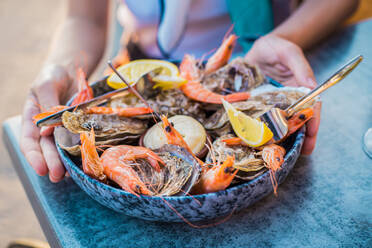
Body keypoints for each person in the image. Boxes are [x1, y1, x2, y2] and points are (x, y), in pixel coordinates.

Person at [21, 0, 359, 183]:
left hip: (262, 59)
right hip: (145, 72)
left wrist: (288, 37)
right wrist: (58, 71)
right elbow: (85, 18)